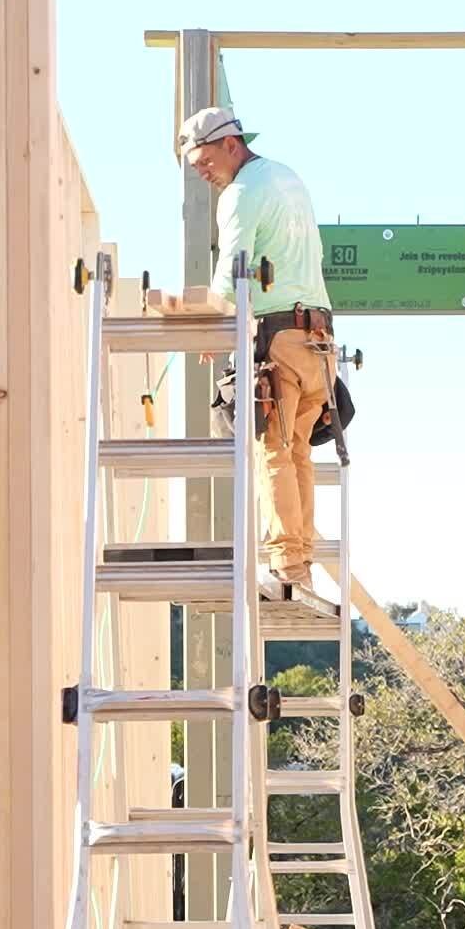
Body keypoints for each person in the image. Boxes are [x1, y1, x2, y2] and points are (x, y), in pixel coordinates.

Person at [178, 106, 336, 595]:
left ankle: (288, 566)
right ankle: (301, 561)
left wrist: (212, 329)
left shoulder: (241, 194)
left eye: (204, 160)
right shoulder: (286, 177)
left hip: (279, 337)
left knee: (272, 451)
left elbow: (231, 271)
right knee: (298, 454)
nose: (202, 173)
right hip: (318, 339)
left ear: (231, 144)